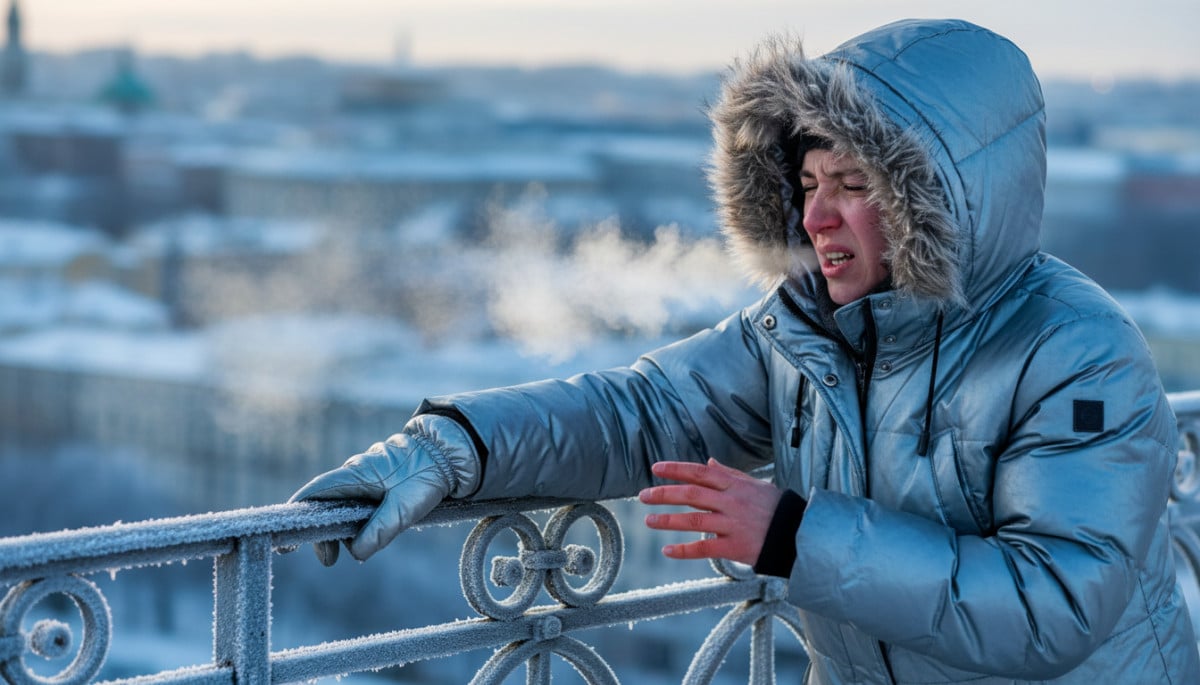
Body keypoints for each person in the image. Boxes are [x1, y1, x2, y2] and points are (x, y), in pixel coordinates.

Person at [290, 18, 1200, 683]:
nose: (815, 216)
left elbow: (1054, 605)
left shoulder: (1078, 351)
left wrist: (794, 533)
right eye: (807, 183)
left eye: (853, 183)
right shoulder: (804, 327)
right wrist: (455, 445)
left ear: (944, 199)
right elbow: (643, 411)